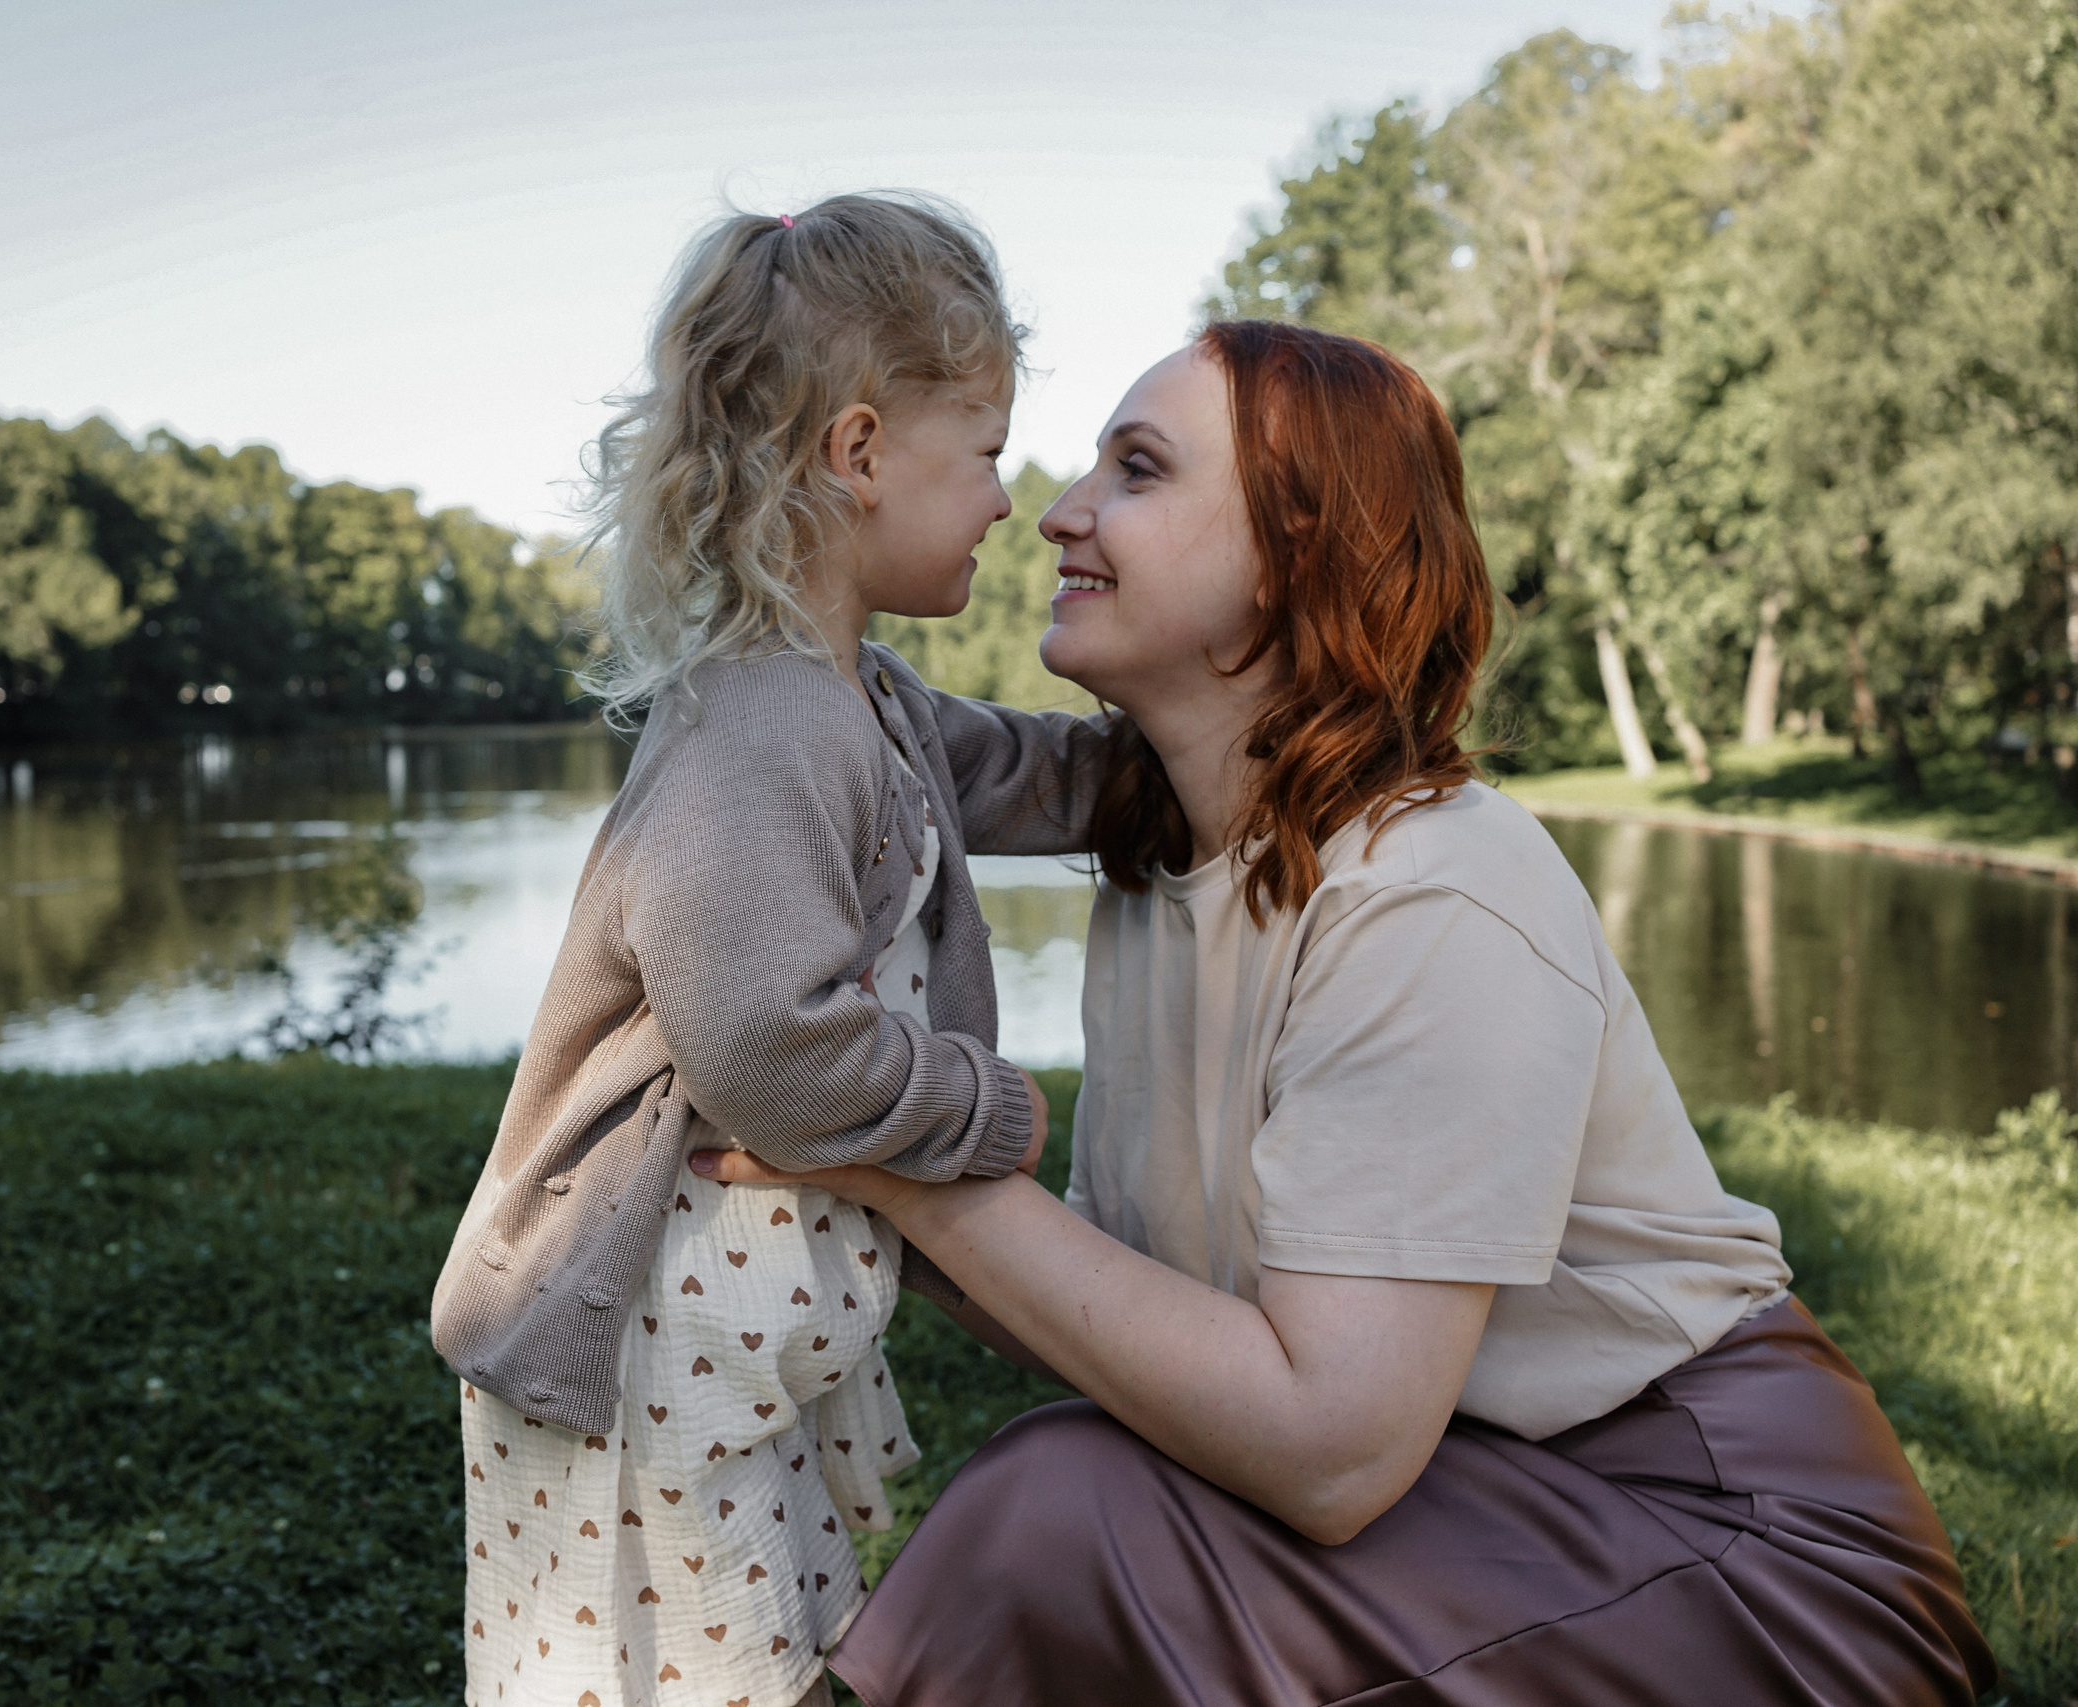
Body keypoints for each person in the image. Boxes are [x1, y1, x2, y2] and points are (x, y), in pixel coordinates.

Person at [692, 320, 1998, 1705]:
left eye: (1137, 471)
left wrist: (897, 1163)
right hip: (1483, 1507)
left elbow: (1331, 1451)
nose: (1058, 513)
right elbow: (1157, 1331)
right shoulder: (1172, 860)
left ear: (1299, 554)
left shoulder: (1434, 886)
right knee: (1093, 1475)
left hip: (1750, 1568)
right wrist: (854, 1162)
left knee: (1066, 1504)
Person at [429, 193, 1110, 1707]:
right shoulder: (764, 720)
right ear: (860, 454)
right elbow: (766, 1048)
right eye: (988, 451)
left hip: (732, 1354)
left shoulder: (860, 693)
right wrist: (993, 1116)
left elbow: (1047, 775)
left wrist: (1231, 738)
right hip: (646, 1357)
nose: (1014, 499)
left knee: (780, 1667)